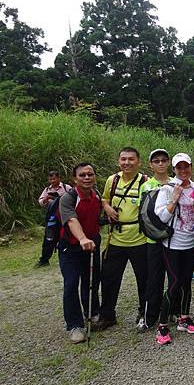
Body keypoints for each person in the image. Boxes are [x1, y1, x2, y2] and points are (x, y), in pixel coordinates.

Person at [93, 147, 148, 332]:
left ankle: (145, 311)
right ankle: (107, 315)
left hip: (139, 239)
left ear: (138, 162)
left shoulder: (145, 181)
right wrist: (106, 207)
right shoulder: (113, 180)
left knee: (144, 279)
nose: (127, 163)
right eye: (123, 159)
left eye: (131, 159)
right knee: (108, 279)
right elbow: (105, 198)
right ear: (119, 161)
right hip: (115, 238)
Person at [154, 153, 194, 345]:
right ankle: (162, 324)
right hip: (172, 244)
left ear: (191, 167)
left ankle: (184, 317)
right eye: (179, 167)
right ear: (174, 169)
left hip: (192, 242)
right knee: (173, 284)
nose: (183, 170)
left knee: (187, 282)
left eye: (186, 166)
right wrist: (174, 199)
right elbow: (162, 218)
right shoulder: (166, 189)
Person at [57, 163, 101, 343]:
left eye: (90, 174)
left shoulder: (96, 194)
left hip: (92, 244)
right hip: (71, 247)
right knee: (71, 284)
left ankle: (92, 313)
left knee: (91, 281)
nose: (87, 177)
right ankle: (74, 325)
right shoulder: (68, 198)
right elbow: (72, 221)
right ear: (75, 179)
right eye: (82, 175)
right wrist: (82, 238)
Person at [138, 149, 175, 332]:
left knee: (175, 278)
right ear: (151, 164)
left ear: (168, 162)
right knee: (154, 279)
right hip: (154, 240)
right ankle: (150, 316)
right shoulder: (146, 185)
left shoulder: (176, 183)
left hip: (174, 241)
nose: (160, 164)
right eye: (156, 161)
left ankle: (173, 311)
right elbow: (145, 214)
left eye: (163, 160)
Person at [36, 170, 72, 267]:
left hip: (65, 218)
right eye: (50, 179)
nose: (52, 181)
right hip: (52, 219)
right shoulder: (47, 189)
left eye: (54, 178)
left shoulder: (66, 187)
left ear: (59, 178)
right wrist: (46, 199)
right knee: (49, 239)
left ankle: (68, 257)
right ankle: (44, 260)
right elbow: (40, 202)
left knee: (66, 237)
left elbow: (74, 198)